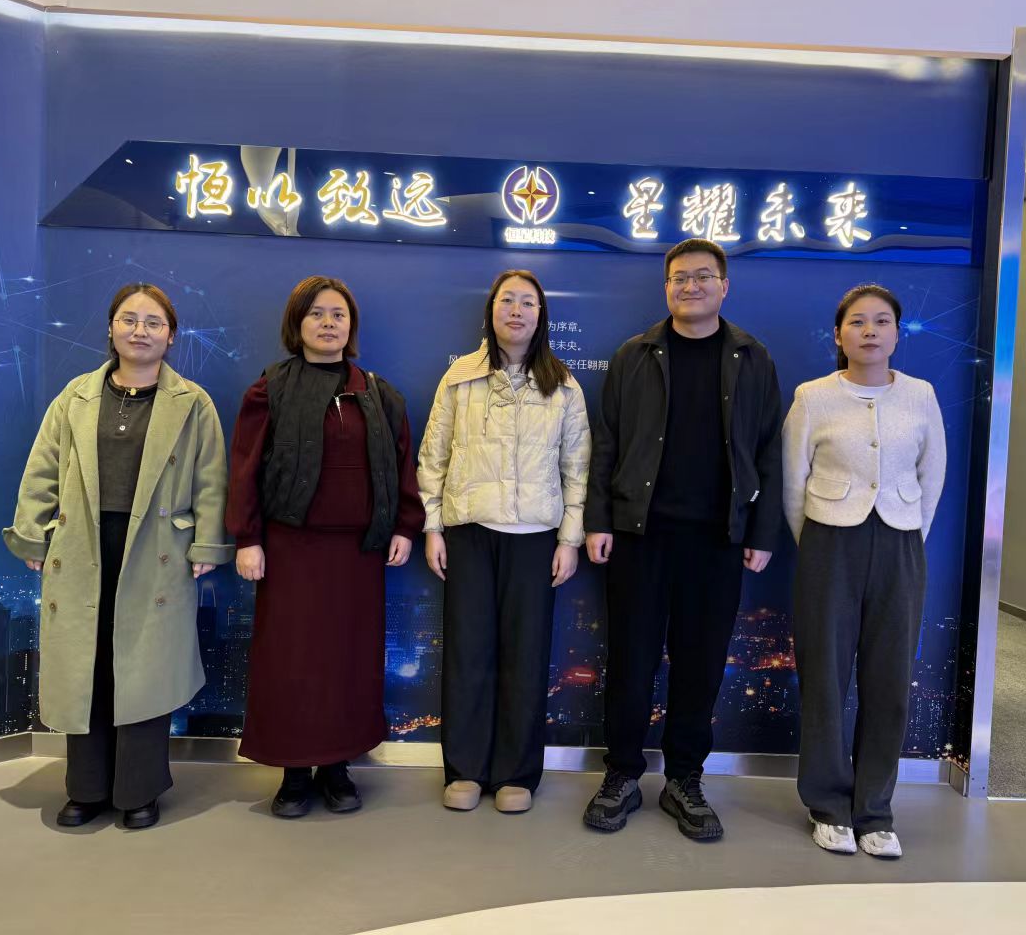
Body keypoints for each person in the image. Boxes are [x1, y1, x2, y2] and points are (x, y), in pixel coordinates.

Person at [3, 282, 232, 830]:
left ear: (171, 336)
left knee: (143, 668)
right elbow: (42, 468)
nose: (140, 331)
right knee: (89, 664)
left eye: (154, 323)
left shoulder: (193, 402)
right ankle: (85, 788)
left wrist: (206, 543)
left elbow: (211, 478)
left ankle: (139, 791)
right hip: (82, 542)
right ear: (110, 328)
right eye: (129, 320)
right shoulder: (76, 396)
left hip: (158, 549)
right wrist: (33, 535)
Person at [582, 238, 783, 840]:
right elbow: (606, 443)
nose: (690, 286)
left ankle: (684, 780)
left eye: (702, 276)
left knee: (700, 665)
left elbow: (769, 450)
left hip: (718, 538)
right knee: (631, 661)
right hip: (639, 535)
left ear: (725, 286)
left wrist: (762, 530)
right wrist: (598, 520)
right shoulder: (634, 355)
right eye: (678, 278)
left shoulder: (753, 357)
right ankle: (621, 774)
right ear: (666, 287)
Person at [226, 275, 424, 818]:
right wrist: (248, 538)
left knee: (348, 665)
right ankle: (294, 774)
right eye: (316, 313)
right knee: (291, 663)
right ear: (297, 323)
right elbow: (244, 468)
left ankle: (337, 768)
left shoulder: (379, 393)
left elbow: (403, 465)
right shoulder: (269, 389)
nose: (328, 323)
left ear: (351, 326)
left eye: (338, 314)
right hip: (290, 551)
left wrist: (405, 527)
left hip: (358, 554)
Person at [417, 269, 590, 814]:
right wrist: (433, 526)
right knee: (467, 655)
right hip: (469, 531)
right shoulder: (459, 378)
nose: (517, 311)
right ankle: (465, 770)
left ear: (541, 316)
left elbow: (578, 468)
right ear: (490, 311)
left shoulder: (563, 384)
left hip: (536, 538)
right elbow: (433, 456)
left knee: (526, 656)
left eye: (528, 303)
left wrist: (570, 538)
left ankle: (517, 773)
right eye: (507, 301)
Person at [782, 283, 945, 859]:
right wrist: (819, 540)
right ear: (838, 334)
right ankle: (828, 806)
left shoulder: (921, 395)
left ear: (898, 333)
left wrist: (907, 533)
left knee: (890, 679)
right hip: (829, 540)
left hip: (901, 542)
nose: (870, 331)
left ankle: (875, 810)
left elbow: (933, 475)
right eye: (857, 321)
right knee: (825, 677)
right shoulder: (813, 397)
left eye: (881, 321)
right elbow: (793, 483)